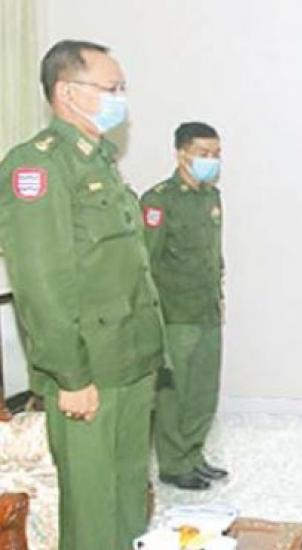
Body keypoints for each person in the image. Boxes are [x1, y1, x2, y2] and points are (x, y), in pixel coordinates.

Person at [0, 40, 167, 550]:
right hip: (88, 370)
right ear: (68, 93)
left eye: (122, 88)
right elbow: (41, 284)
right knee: (93, 514)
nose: (120, 99)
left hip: (130, 359)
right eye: (110, 88)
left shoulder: (100, 162)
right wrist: (70, 377)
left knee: (128, 499)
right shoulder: (39, 167)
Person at [140, 122, 226, 491]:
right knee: (175, 394)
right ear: (181, 154)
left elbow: (212, 256)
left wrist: (218, 298)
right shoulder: (159, 201)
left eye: (216, 154)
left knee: (203, 391)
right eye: (203, 153)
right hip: (175, 313)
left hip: (207, 310)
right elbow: (146, 261)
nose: (211, 160)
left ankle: (193, 454)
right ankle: (174, 464)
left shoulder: (211, 197)